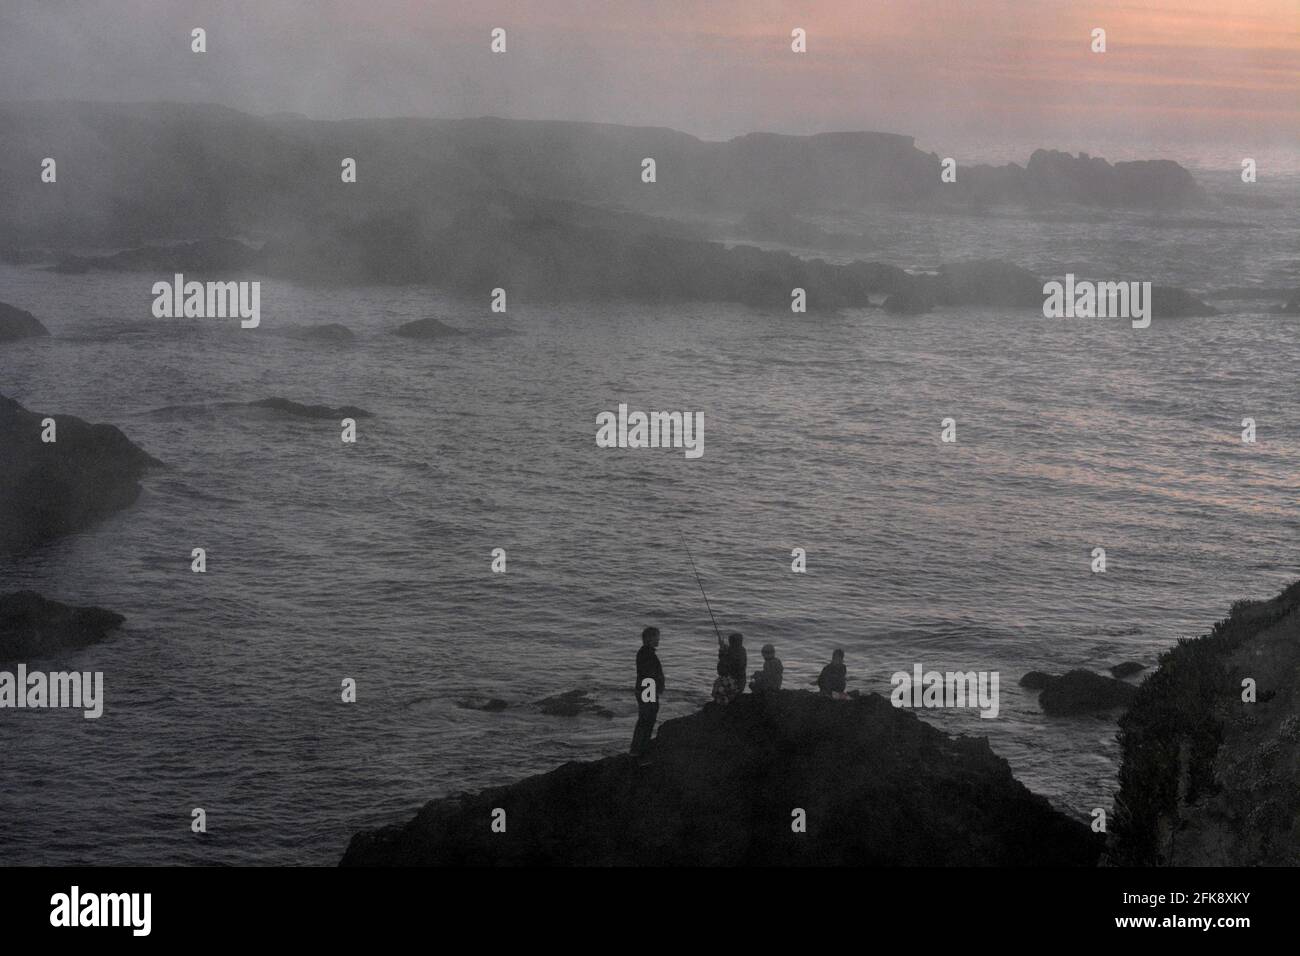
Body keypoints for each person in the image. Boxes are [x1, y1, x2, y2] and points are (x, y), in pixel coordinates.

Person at [631, 626, 664, 759]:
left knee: (644, 721)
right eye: (657, 636)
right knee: (647, 721)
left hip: (645, 689)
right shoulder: (648, 654)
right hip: (648, 689)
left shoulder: (645, 653)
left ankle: (636, 750)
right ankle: (641, 752)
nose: (659, 639)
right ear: (650, 638)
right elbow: (650, 675)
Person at [711, 632, 747, 704]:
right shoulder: (742, 650)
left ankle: (724, 702)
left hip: (735, 684)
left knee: (718, 685)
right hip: (741, 683)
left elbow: (721, 670)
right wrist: (723, 648)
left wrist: (722, 650)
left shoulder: (732, 653)